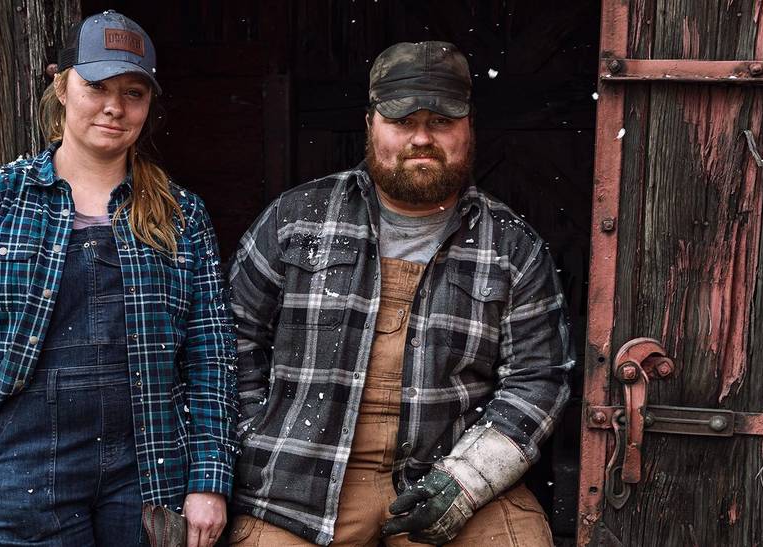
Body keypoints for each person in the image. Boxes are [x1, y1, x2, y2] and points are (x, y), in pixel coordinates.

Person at [0, 11, 237, 546]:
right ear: (61, 85)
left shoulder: (181, 215)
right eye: (97, 87)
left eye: (133, 92)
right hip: (24, 467)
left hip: (150, 469)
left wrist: (208, 479)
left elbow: (210, 354)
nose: (114, 106)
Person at [226, 41, 573, 546]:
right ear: (370, 124)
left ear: (469, 126)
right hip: (296, 487)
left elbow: (539, 380)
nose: (421, 139)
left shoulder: (512, 244)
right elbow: (228, 341)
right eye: (403, 122)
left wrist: (466, 481)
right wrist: (258, 435)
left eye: (441, 122)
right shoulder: (296, 220)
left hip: (451, 472)